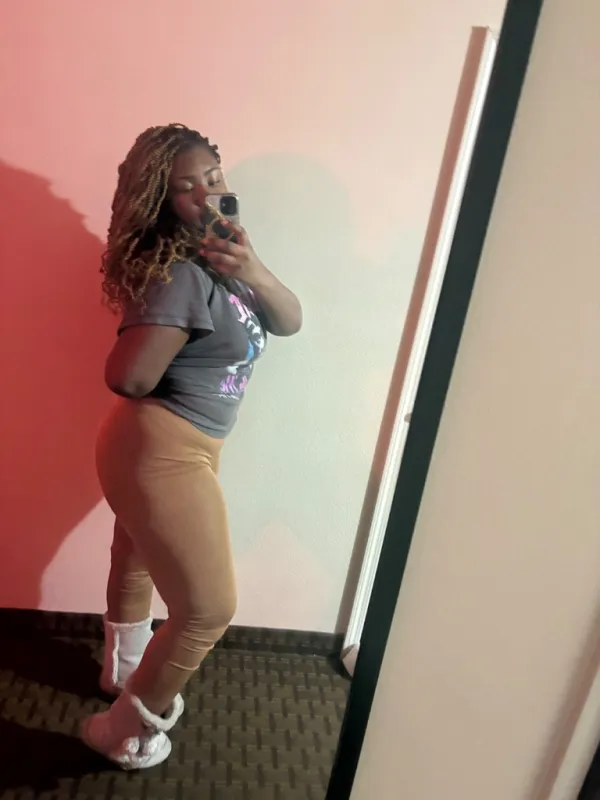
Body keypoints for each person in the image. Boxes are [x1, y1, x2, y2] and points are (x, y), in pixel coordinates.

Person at [80, 123, 302, 769]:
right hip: (160, 449)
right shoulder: (178, 275)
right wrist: (172, 322)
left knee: (136, 560)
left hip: (178, 445)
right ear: (160, 200)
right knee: (207, 609)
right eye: (187, 187)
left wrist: (250, 267)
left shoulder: (222, 259)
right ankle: (124, 732)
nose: (207, 195)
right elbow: (129, 376)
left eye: (214, 178)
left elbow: (289, 319)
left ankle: (122, 675)